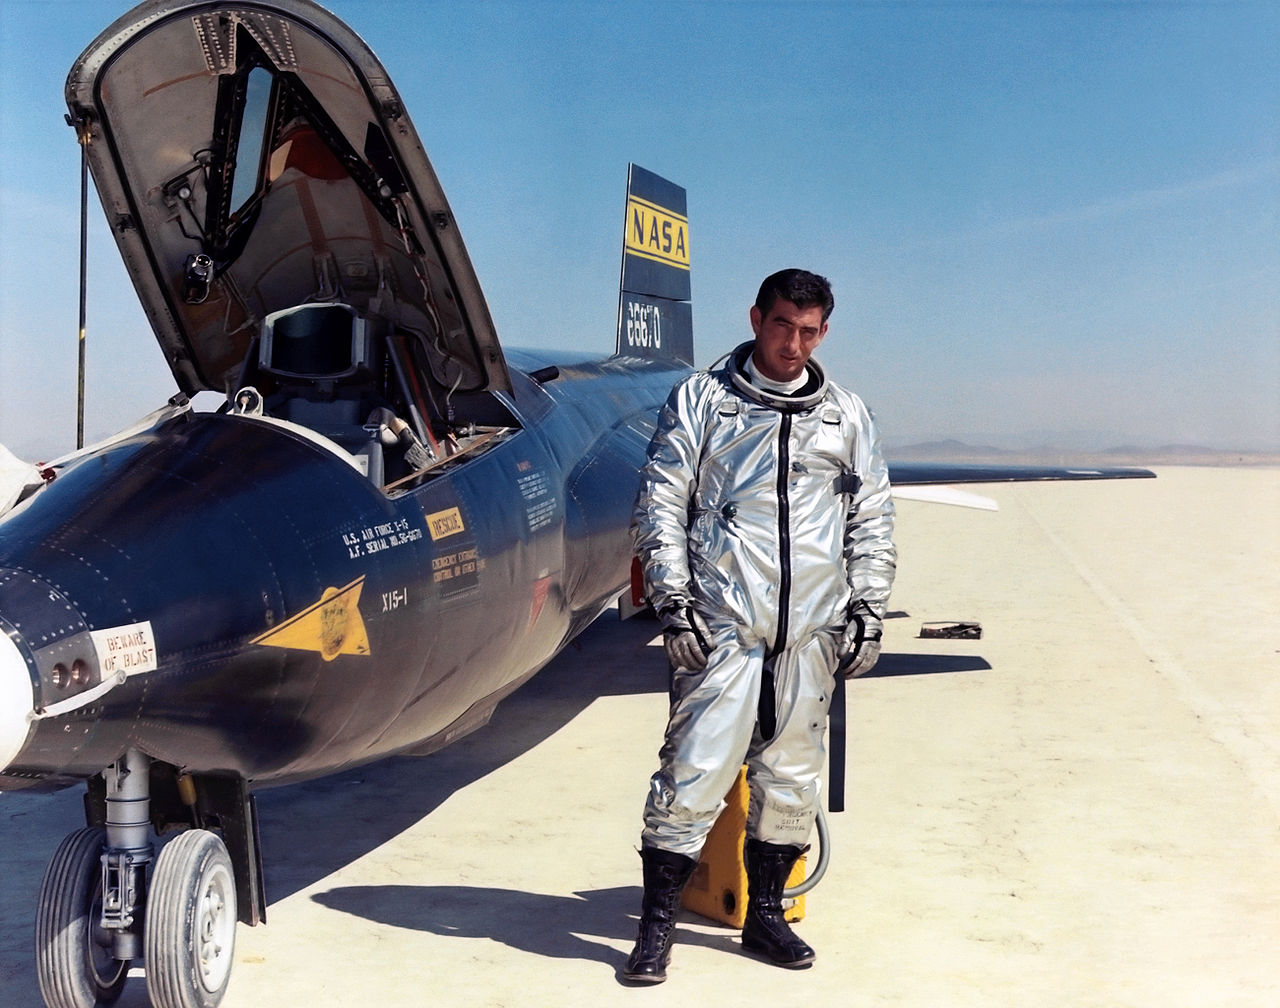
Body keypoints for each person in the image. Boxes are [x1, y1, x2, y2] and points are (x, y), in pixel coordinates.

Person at [623, 269, 896, 983]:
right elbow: (661, 501)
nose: (793, 344)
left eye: (808, 332)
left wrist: (867, 608)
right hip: (722, 625)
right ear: (755, 318)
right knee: (691, 775)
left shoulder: (845, 416)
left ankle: (764, 916)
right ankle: (656, 929)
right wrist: (673, 599)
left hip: (809, 631)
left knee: (792, 779)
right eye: (782, 326)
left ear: (824, 332)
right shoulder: (705, 403)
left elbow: (871, 518)